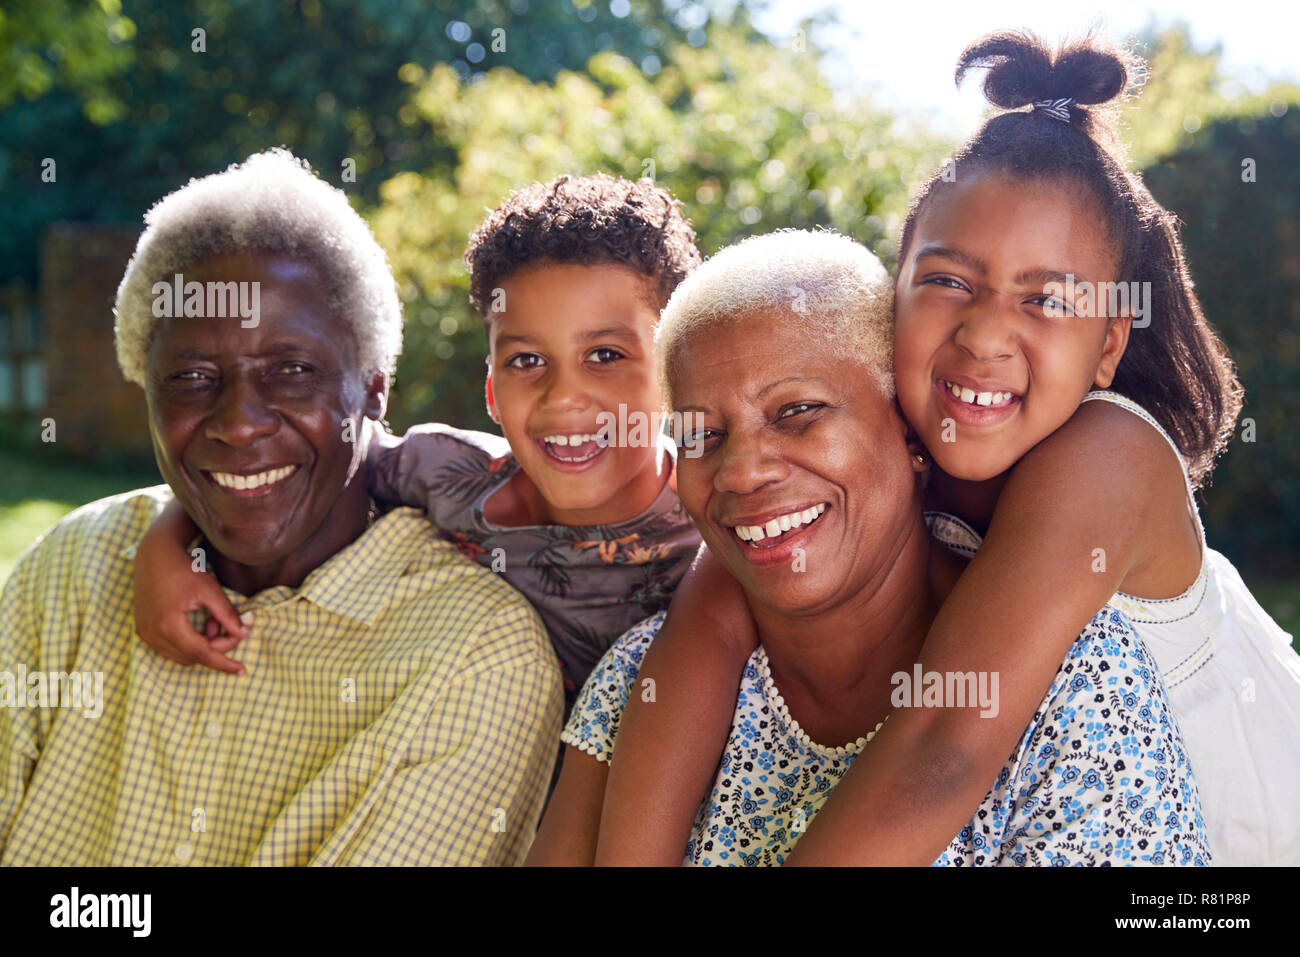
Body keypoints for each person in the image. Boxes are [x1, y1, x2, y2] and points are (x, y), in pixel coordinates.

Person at [596, 31, 1300, 866]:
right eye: (950, 281)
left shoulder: (1103, 454)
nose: (986, 333)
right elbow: (710, 620)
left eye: (1046, 300)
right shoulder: (884, 447)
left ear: (1108, 345)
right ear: (897, 291)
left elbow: (944, 742)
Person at [526, 229, 1210, 866]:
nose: (741, 470)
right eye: (702, 435)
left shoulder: (1070, 682)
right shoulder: (640, 681)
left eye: (797, 411)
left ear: (913, 433)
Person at [0, 149, 563, 865]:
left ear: (374, 394)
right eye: (192, 376)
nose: (238, 422)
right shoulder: (72, 569)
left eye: (292, 371)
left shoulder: (474, 655)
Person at [130, 173, 703, 714]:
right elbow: (278, 463)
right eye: (526, 361)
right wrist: (167, 542)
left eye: (606, 355)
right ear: (492, 391)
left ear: (678, 373)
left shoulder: (709, 527)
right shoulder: (445, 473)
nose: (563, 398)